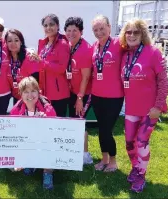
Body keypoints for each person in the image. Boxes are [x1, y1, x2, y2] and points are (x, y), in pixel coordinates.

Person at [119, 18, 168, 193]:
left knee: (141, 142)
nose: (132, 35)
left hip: (150, 110)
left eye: (136, 32)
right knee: (129, 143)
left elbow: (164, 82)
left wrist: (158, 107)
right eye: (128, 32)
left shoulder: (153, 52)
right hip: (132, 108)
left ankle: (141, 174)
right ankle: (136, 167)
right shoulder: (125, 55)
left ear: (143, 34)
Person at [91, 15, 124, 172]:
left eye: (102, 28)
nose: (99, 32)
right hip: (97, 95)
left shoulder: (119, 44)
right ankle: (104, 159)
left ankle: (113, 161)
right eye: (95, 30)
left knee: (106, 129)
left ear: (110, 27)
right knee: (101, 128)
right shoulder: (95, 46)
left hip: (114, 96)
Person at [10, 76, 56, 190]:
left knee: (49, 146)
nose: (30, 95)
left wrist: (45, 123)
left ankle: (47, 172)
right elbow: (12, 136)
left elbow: (55, 134)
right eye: (26, 92)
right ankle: (30, 163)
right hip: (27, 143)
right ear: (20, 94)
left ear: (38, 92)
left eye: (33, 91)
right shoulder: (16, 110)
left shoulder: (47, 109)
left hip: (45, 143)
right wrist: (17, 159)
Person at [64, 17, 93, 165]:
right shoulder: (67, 45)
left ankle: (85, 155)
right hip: (71, 91)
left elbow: (86, 77)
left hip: (83, 93)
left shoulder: (85, 49)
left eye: (75, 30)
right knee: (73, 121)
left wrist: (80, 97)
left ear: (81, 32)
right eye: (68, 30)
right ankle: (74, 149)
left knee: (80, 122)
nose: (71, 33)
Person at [37, 14, 70, 117]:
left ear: (57, 26)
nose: (48, 28)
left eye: (51, 24)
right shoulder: (44, 44)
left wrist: (42, 62)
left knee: (58, 123)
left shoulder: (63, 43)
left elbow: (61, 68)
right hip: (45, 91)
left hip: (58, 93)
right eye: (45, 25)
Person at [5, 28, 39, 104]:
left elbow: (36, 82)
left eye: (16, 40)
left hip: (30, 98)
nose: (13, 43)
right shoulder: (6, 59)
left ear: (21, 42)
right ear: (6, 43)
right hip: (16, 98)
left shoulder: (30, 57)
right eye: (9, 41)